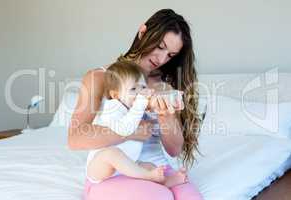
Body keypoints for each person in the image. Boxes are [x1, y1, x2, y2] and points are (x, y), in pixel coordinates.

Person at [68, 8, 203, 200]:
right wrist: (132, 131)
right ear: (143, 32)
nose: (162, 58)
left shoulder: (165, 85)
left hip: (155, 168)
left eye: (170, 55)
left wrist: (166, 114)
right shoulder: (100, 77)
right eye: (160, 46)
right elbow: (75, 138)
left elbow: (174, 150)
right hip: (114, 172)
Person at [86, 60, 188, 188]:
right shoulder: (112, 107)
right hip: (102, 168)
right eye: (133, 89)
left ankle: (165, 181)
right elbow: (124, 129)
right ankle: (148, 177)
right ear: (116, 95)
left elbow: (156, 129)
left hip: (129, 164)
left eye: (143, 87)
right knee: (112, 153)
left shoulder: (135, 108)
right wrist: (141, 103)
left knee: (150, 166)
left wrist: (165, 108)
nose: (140, 93)